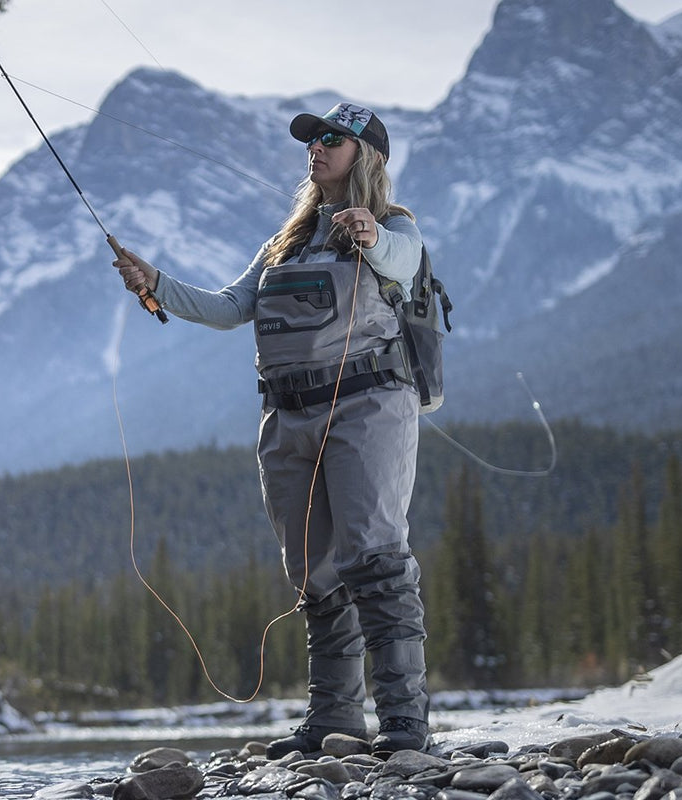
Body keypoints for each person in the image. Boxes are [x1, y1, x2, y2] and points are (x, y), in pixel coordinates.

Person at [112, 102, 431, 755]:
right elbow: (231, 308)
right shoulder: (284, 241)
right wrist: (155, 285)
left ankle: (404, 722)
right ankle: (334, 719)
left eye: (331, 139)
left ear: (363, 155)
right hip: (287, 418)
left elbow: (403, 264)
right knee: (313, 571)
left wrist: (369, 235)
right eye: (313, 139)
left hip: (368, 407)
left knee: (374, 556)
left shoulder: (393, 226)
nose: (316, 147)